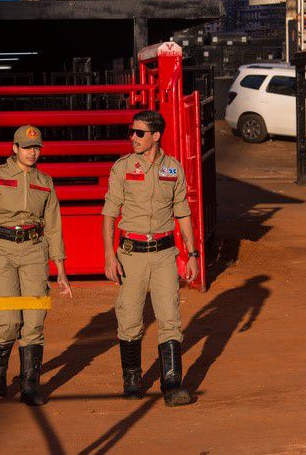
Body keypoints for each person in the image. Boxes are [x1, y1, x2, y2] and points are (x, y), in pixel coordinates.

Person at [0, 125, 72, 406]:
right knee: (8, 319)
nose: (31, 152)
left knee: (35, 320)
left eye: (36, 148)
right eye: (26, 147)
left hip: (34, 250)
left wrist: (60, 269)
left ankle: (30, 385)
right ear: (14, 149)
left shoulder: (45, 181)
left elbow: (53, 226)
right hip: (2, 248)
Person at [101, 110, 199, 407]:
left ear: (156, 136)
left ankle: (172, 385)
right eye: (131, 132)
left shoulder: (173, 169)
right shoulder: (122, 167)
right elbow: (109, 214)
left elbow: (182, 212)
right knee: (130, 318)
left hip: (165, 253)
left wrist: (191, 254)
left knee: (169, 317)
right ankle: (132, 379)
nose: (133, 137)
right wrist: (109, 255)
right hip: (131, 254)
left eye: (139, 133)